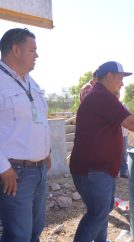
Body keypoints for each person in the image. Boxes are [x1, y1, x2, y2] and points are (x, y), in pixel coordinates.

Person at [70, 61, 134, 242]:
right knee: (97, 213)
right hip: (93, 170)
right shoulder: (101, 96)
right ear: (109, 76)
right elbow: (131, 123)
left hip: (99, 169)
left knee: (102, 211)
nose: (123, 83)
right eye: (120, 78)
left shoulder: (102, 95)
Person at [0, 28, 51, 242]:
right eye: (33, 50)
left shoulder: (31, 82)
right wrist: (3, 167)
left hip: (38, 171)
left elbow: (36, 119)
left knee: (34, 231)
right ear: (16, 50)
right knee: (18, 235)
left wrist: (45, 152)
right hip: (15, 174)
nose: (37, 55)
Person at [115, 92, 129, 178]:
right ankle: (115, 172)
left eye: (117, 95)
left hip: (123, 134)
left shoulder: (124, 106)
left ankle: (123, 172)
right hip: (114, 134)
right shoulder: (110, 106)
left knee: (123, 153)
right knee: (114, 153)